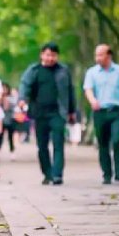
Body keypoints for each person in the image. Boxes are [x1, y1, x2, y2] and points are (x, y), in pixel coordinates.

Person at [20, 42, 77, 185]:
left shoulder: (63, 71)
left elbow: (70, 91)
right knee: (42, 146)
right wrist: (22, 99)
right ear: (42, 55)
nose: (50, 58)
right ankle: (47, 173)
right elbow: (25, 85)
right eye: (47, 55)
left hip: (58, 112)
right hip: (39, 113)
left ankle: (57, 174)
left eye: (53, 55)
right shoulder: (34, 70)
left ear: (57, 56)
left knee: (58, 143)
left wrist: (71, 111)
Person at [84, 44, 119, 184]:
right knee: (103, 143)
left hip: (116, 111)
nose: (97, 58)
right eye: (96, 55)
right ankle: (106, 174)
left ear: (109, 56)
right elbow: (88, 89)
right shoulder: (92, 72)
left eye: (100, 55)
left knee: (117, 141)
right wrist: (93, 101)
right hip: (100, 112)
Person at [0, 83, 18, 159]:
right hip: (1, 120)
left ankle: (12, 151)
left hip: (10, 119)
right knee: (0, 136)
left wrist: (7, 101)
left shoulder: (11, 98)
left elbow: (13, 107)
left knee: (10, 137)